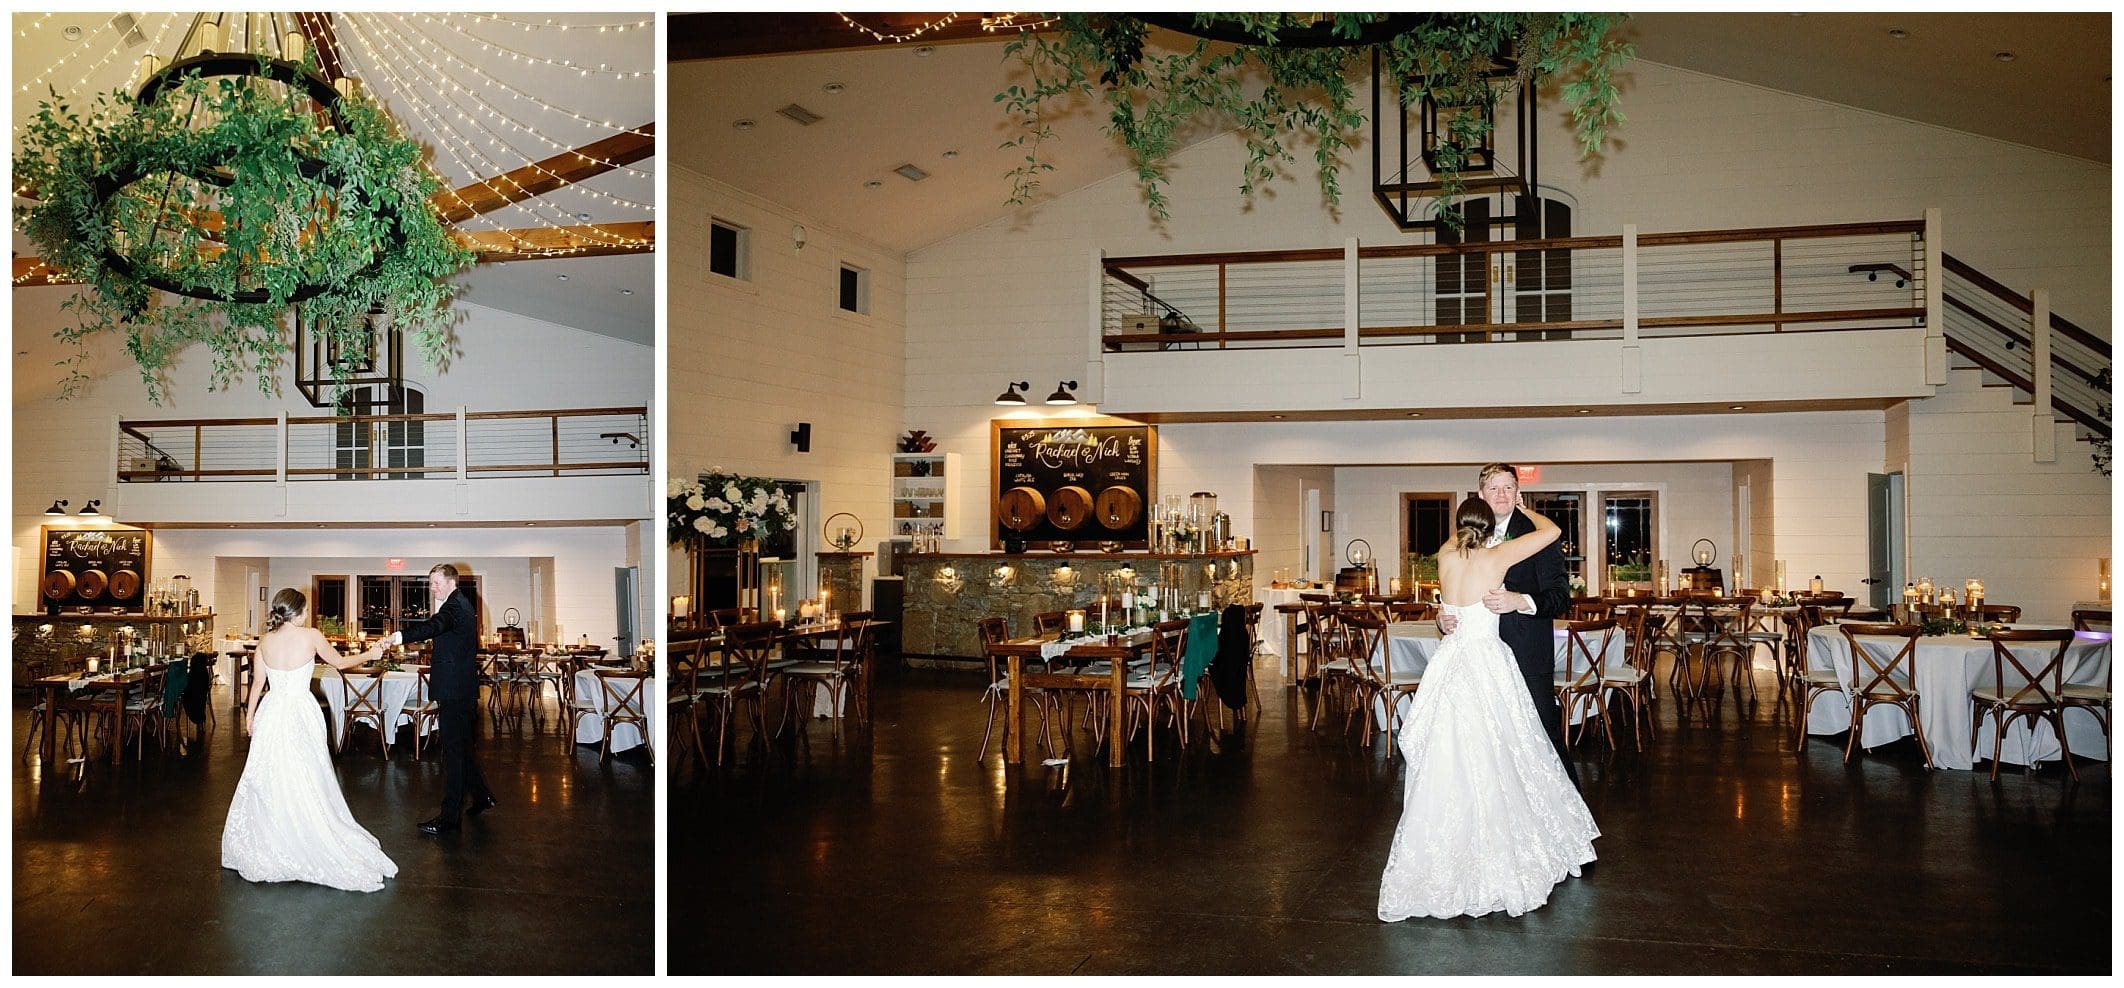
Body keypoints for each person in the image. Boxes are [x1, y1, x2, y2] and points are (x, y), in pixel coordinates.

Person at [1378, 496, 1598, 921]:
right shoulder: (1496, 556)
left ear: (1459, 524)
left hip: (1450, 664)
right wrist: (1523, 506)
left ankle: (1445, 848)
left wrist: (1444, 616)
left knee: (1450, 758)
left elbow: (1450, 593)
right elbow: (1551, 533)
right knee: (1506, 752)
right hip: (1487, 663)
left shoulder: (1443, 554)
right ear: (1489, 527)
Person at [221, 588, 398, 893]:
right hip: (301, 711)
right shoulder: (311, 635)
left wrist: (250, 717)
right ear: (299, 612)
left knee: (270, 776)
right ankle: (307, 833)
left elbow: (257, 684)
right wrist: (371, 654)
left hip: (272, 711)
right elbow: (341, 663)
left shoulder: (265, 642)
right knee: (307, 774)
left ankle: (275, 837)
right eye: (305, 610)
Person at [1436, 463, 1578, 783]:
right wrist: (1443, 617)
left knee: (1542, 737)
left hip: (1526, 654)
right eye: (1494, 488)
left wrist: (1521, 601)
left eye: (1508, 488)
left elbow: (1560, 598)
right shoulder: (1461, 543)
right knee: (1483, 745)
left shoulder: (1535, 536)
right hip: (1476, 664)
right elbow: (1453, 594)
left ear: (1518, 493)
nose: (1502, 495)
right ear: (1481, 495)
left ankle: (1570, 815)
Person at [384, 563, 496, 835]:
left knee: (453, 753)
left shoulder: (454, 607)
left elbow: (434, 626)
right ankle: (482, 797)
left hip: (454, 690)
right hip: (459, 688)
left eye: (435, 582)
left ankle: (449, 820)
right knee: (461, 748)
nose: (431, 587)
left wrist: (398, 636)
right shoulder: (460, 604)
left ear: (450, 582)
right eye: (430, 582)